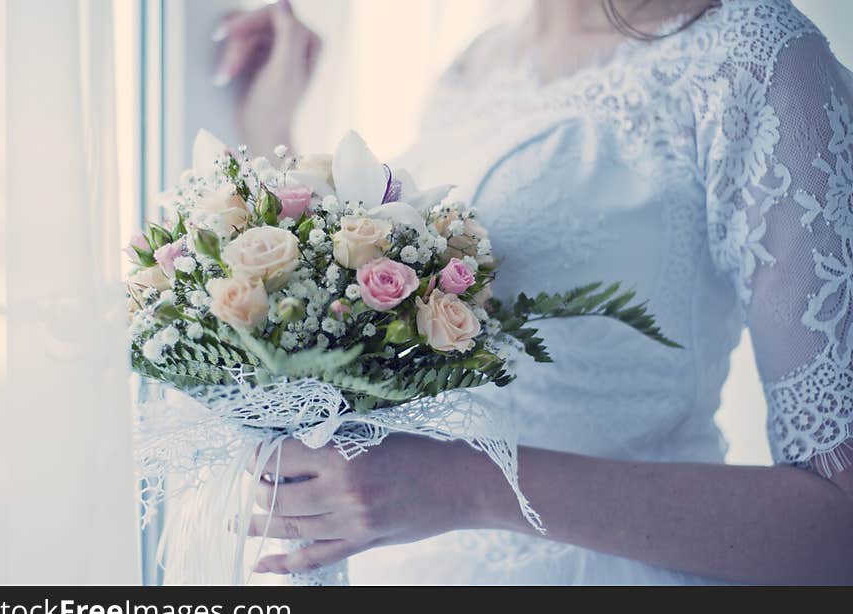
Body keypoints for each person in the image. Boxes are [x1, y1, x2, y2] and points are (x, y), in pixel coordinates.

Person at [213, 0, 853, 584]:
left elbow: (837, 520)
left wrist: (472, 485)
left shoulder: (755, 57)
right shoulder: (474, 67)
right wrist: (270, 124)